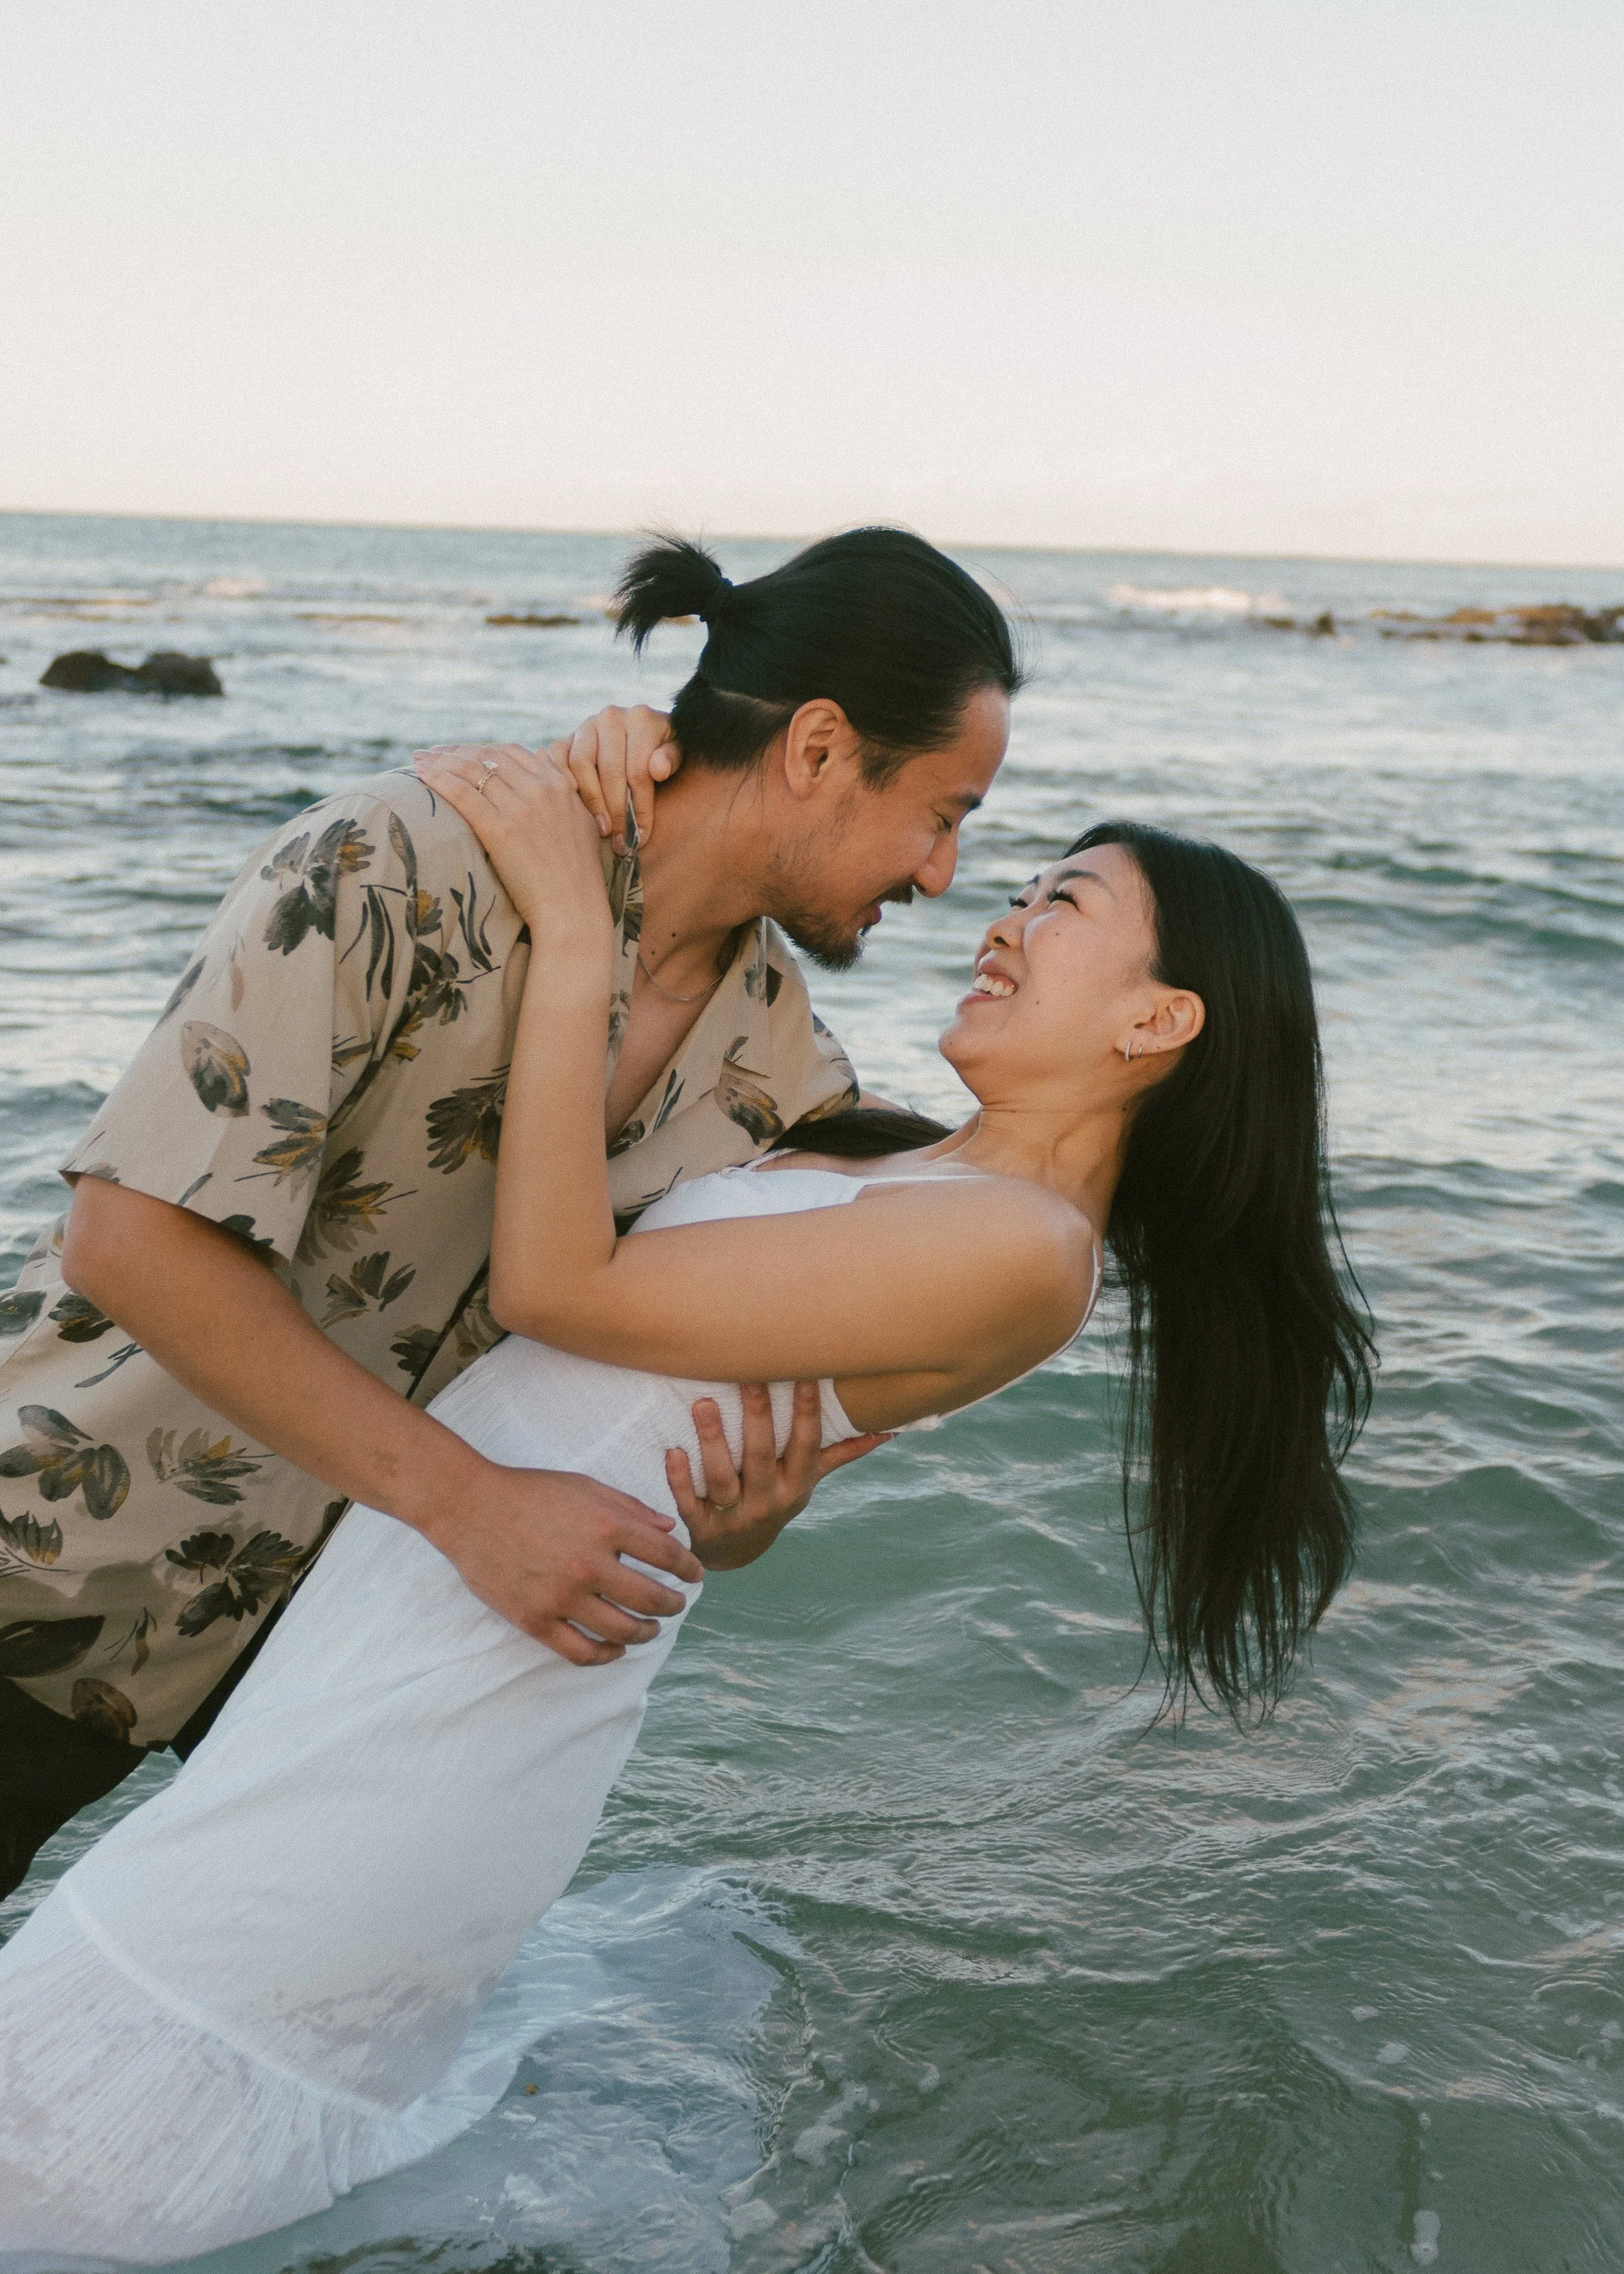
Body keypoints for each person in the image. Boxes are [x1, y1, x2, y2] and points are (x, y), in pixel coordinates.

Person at [0, 745, 1374, 2260]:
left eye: (1060, 901)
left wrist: (575, 934)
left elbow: (555, 1283)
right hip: (426, 1622)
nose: (994, 917)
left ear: (1154, 1017)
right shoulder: (900, 1155)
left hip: (466, 1686)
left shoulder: (1029, 1248)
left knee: (98, 2109)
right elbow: (671, 1340)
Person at [0, 528, 1019, 1897]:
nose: (942, 873)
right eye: (943, 812)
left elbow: (623, 1379)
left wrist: (731, 1518)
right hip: (43, 1558)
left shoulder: (787, 1083)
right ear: (820, 748)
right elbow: (129, 1242)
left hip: (302, 1681)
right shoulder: (408, 858)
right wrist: (470, 1505)